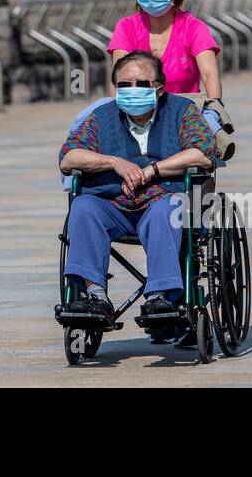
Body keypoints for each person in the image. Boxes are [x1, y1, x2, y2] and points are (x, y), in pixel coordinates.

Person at [59, 51, 217, 322]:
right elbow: (68, 156)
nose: (132, 90)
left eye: (141, 84)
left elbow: (203, 151)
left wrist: (152, 170)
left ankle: (160, 298)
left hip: (162, 200)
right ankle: (94, 297)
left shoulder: (181, 111)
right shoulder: (102, 117)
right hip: (114, 204)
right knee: (83, 207)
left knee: (166, 209)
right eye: (124, 85)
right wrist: (113, 162)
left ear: (158, 88)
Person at [107, 0, 222, 100]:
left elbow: (209, 75)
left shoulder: (194, 28)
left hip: (185, 114)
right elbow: (118, 78)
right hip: (136, 113)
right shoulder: (126, 27)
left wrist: (214, 110)